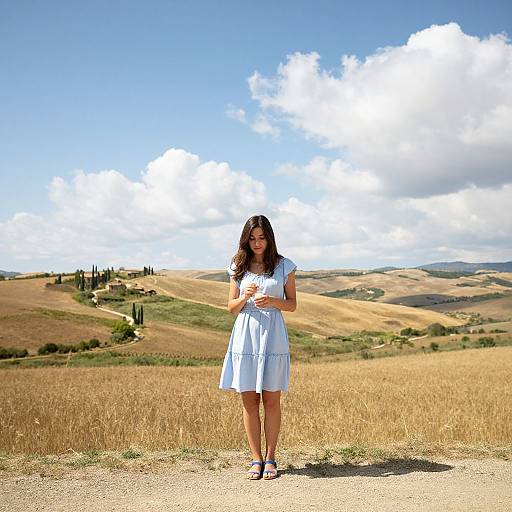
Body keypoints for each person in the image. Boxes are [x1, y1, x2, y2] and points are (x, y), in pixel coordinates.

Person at [218, 214, 297, 480]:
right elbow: (230, 308)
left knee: (271, 399)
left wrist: (273, 301)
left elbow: (292, 304)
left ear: (269, 238)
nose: (257, 243)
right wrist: (244, 297)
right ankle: (255, 459)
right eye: (252, 238)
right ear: (246, 239)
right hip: (246, 336)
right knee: (249, 400)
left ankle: (272, 458)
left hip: (273, 335)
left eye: (261, 238)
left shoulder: (284, 266)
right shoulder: (237, 265)